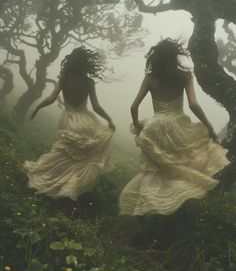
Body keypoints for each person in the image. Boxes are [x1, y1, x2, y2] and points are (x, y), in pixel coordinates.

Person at [119, 38, 229, 217]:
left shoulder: (150, 78)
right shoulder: (184, 76)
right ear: (175, 56)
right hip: (179, 126)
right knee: (179, 169)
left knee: (152, 171)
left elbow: (133, 107)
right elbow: (193, 104)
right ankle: (174, 209)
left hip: (155, 127)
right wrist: (209, 127)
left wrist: (139, 126)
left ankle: (143, 217)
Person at [24, 47, 115, 201]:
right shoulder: (89, 82)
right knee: (82, 158)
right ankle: (72, 186)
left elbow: (51, 99)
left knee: (64, 154)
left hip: (69, 119)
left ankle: (52, 180)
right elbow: (96, 107)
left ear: (71, 61)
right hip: (87, 121)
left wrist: (38, 107)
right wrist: (109, 119)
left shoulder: (64, 78)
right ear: (86, 63)